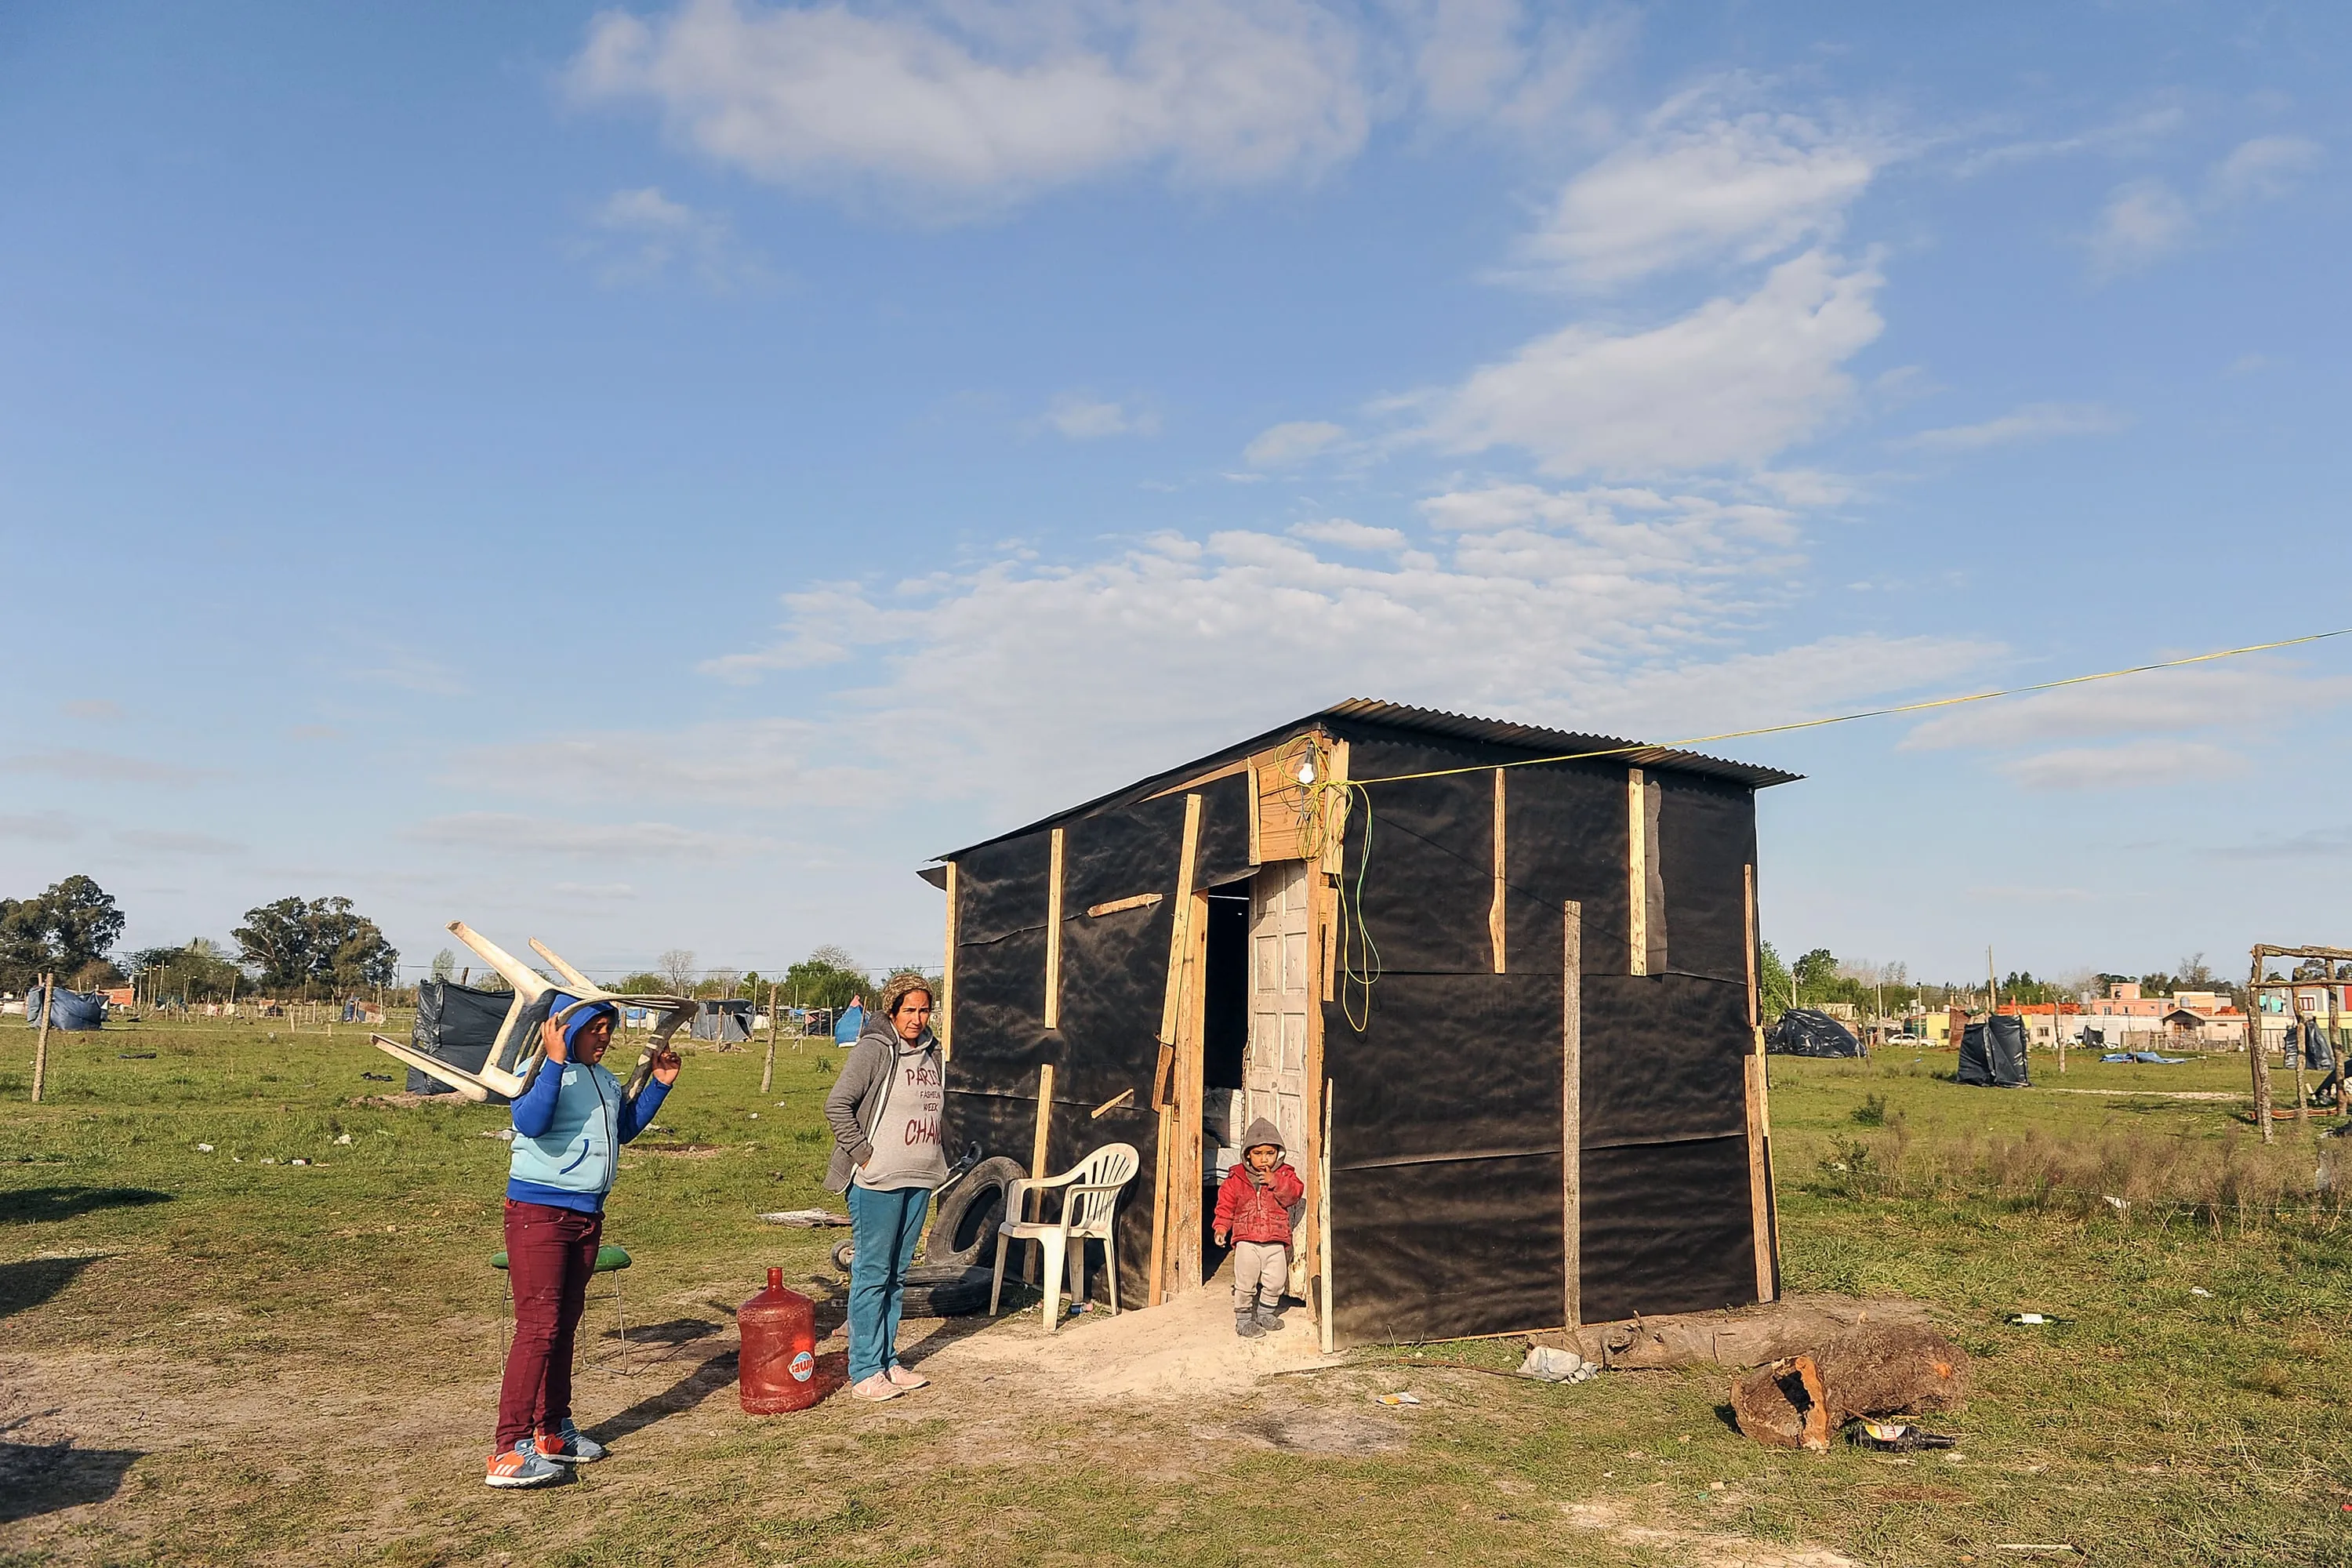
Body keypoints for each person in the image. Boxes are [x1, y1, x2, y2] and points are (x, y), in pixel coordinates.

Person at [485, 997, 681, 1489]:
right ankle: (508, 1448)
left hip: (587, 1213)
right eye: (594, 1028)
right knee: (539, 1327)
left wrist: (659, 1086)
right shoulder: (537, 1069)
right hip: (539, 1214)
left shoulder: (607, 1079)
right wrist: (552, 1061)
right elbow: (530, 1122)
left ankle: (552, 1431)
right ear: (566, 1030)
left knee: (564, 1325)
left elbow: (622, 1130)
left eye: (607, 1028)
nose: (604, 1036)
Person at [824, 974, 945, 1401]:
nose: (917, 1018)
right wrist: (863, 1153)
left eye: (924, 1009)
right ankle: (864, 1370)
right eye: (909, 1010)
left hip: (919, 1176)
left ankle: (888, 1361)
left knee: (897, 1274)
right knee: (872, 1273)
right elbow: (837, 1105)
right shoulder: (873, 1049)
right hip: (877, 1179)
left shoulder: (933, 1052)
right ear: (892, 1010)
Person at [1211, 1118, 1306, 1340]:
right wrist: (1221, 1228)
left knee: (1276, 1280)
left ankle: (1265, 1313)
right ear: (1247, 1155)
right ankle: (1244, 1320)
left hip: (1275, 1238)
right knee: (1245, 1282)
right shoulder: (1236, 1179)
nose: (1264, 1159)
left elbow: (1294, 1194)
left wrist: (1276, 1181)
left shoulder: (1284, 1174)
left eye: (1270, 1153)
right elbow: (1225, 1205)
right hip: (1247, 1240)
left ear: (1278, 1154)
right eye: (1258, 1153)